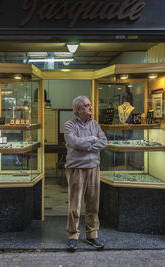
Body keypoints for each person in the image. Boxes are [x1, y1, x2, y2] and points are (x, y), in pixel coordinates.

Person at [64, 96, 107, 251]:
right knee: (75, 205)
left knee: (93, 204)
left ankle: (92, 235)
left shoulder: (95, 124)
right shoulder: (69, 125)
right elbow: (74, 143)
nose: (91, 108)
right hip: (76, 169)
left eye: (90, 105)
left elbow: (103, 142)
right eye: (87, 105)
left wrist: (86, 146)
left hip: (94, 168)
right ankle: (73, 236)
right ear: (79, 109)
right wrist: (92, 140)